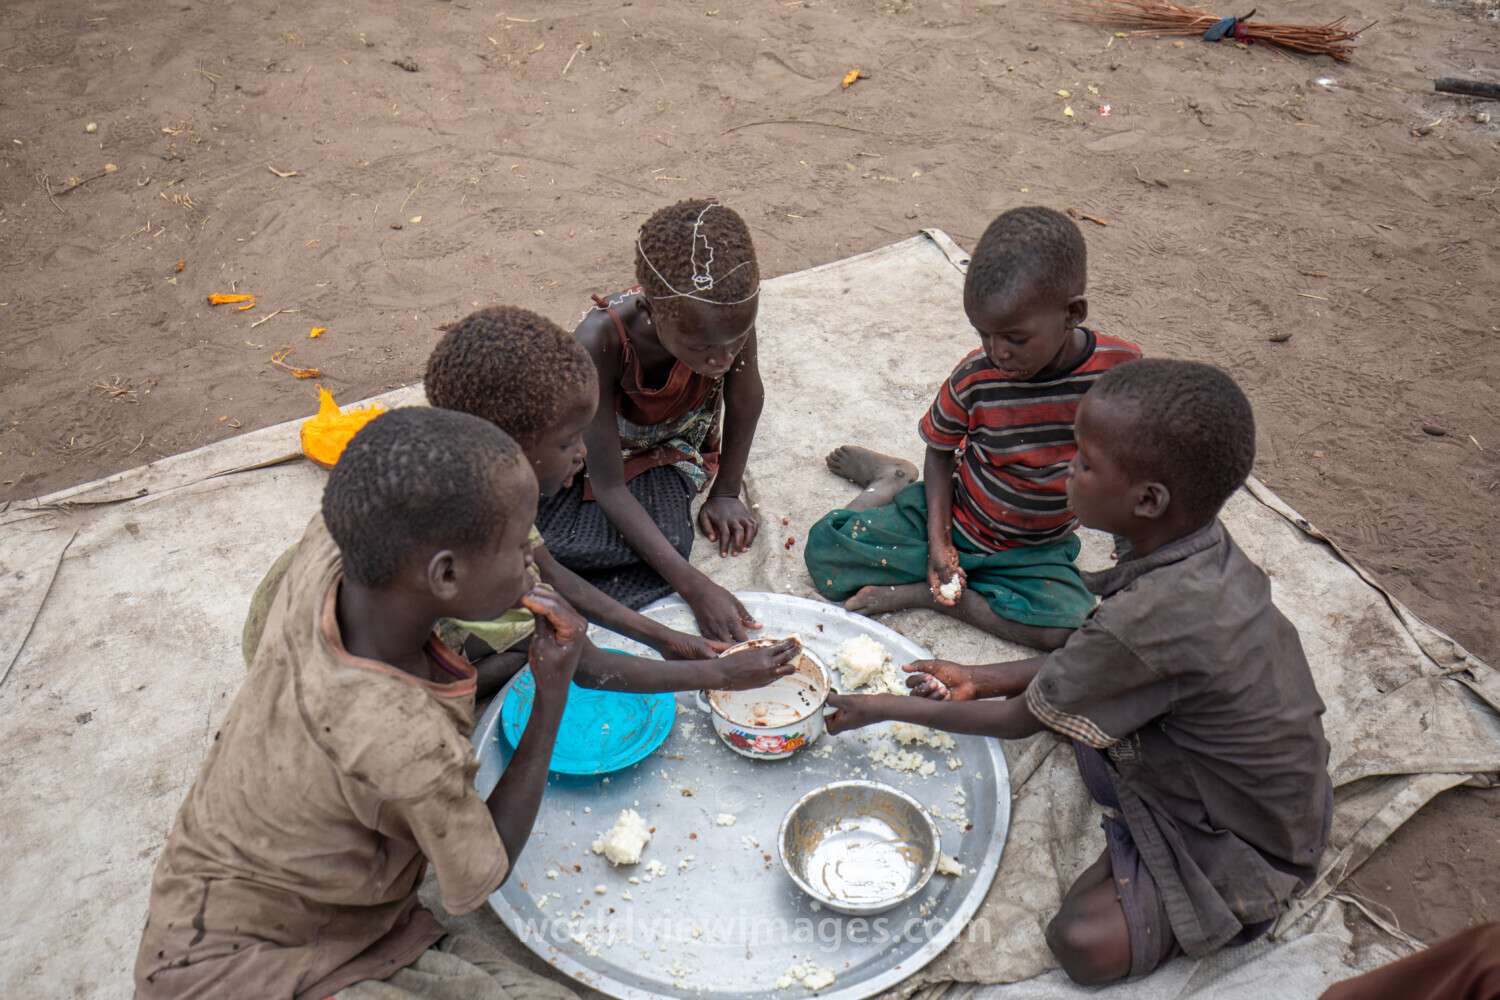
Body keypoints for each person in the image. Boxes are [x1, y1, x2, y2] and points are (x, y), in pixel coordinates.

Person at [824, 360, 1334, 985]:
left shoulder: (1153, 615)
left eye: (1084, 463)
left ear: (1148, 500)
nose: (1066, 470)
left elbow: (1020, 720)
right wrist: (981, 677)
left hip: (1248, 833)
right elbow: (1117, 660)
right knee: (1084, 731)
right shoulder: (1195, 547)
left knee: (1082, 943)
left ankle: (1192, 866)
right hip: (1224, 767)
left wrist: (877, 709)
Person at [135, 407, 586, 999]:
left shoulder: (338, 546)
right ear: (445, 575)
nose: (532, 559)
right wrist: (550, 693)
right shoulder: (400, 737)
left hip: (216, 909)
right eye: (517, 547)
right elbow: (486, 863)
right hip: (242, 975)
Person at [804, 206, 1141, 651]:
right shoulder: (975, 378)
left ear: (1072, 313)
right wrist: (940, 543)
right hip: (960, 516)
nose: (997, 352)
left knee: (1072, 632)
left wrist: (1134, 549)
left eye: (1015, 339)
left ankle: (936, 599)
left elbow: (1135, 462)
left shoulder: (1120, 373)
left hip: (1036, 547)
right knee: (827, 553)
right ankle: (893, 479)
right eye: (983, 335)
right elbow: (941, 451)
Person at [424, 304, 798, 696]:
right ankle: (445, 685)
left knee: (554, 630)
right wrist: (720, 676)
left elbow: (549, 572)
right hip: (399, 677)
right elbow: (587, 666)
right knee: (547, 642)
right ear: (512, 445)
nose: (584, 452)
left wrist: (664, 639)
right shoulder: (479, 532)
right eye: (568, 441)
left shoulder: (486, 475)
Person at [537, 199, 767, 643]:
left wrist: (726, 492)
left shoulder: (726, 316)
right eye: (703, 348)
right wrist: (696, 588)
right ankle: (551, 609)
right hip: (593, 456)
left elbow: (746, 396)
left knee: (668, 544)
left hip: (669, 449)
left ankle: (569, 601)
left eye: (735, 340)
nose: (721, 359)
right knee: (535, 534)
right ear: (648, 314)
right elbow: (606, 484)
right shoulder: (599, 340)